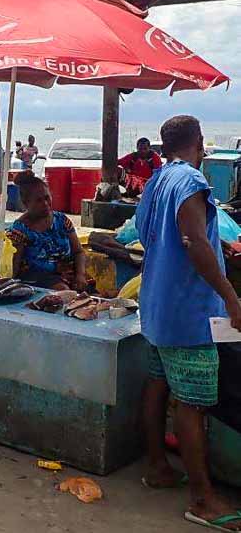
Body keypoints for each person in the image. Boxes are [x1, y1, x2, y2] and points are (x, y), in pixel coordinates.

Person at [136, 115, 241, 531]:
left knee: (158, 384)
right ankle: (202, 500)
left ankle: (158, 468)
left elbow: (151, 237)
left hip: (157, 305)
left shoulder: (156, 181)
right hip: (188, 311)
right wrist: (231, 296)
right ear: (199, 143)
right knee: (193, 403)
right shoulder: (191, 182)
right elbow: (194, 241)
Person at [7, 171, 87, 291]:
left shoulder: (62, 221)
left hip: (69, 276)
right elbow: (14, 269)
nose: (45, 203)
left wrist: (80, 275)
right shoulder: (19, 231)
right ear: (26, 203)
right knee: (62, 291)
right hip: (36, 281)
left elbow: (78, 252)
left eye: (47, 198)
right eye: (38, 200)